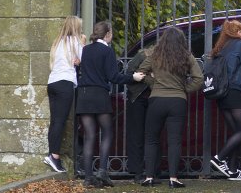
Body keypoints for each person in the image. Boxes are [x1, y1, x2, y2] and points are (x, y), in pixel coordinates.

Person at [135, 26, 203, 188]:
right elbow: (198, 79)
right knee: (174, 141)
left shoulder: (155, 55)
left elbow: (140, 73)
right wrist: (183, 88)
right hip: (177, 101)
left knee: (151, 139)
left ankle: (149, 177)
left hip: (156, 100)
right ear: (181, 41)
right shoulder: (186, 56)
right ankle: (173, 179)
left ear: (163, 40)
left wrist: (154, 83)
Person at [76, 20, 133, 188]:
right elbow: (113, 77)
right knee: (107, 133)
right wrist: (132, 78)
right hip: (99, 94)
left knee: (89, 136)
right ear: (107, 34)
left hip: (84, 95)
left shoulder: (84, 50)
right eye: (112, 32)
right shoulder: (107, 51)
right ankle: (102, 171)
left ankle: (87, 178)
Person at [208, 20, 241, 181]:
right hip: (235, 91)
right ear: (238, 32)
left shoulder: (222, 47)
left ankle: (233, 171)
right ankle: (219, 158)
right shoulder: (240, 45)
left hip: (222, 94)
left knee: (237, 132)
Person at [44, 16, 86, 173]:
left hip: (52, 82)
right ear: (76, 28)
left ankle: (51, 154)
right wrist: (82, 43)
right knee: (60, 121)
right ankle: (54, 156)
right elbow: (82, 60)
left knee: (55, 120)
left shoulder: (58, 42)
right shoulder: (75, 42)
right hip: (65, 83)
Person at [123, 47, 151, 183]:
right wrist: (145, 78)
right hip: (137, 97)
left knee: (152, 135)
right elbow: (129, 73)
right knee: (137, 135)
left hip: (154, 98)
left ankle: (152, 172)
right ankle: (137, 172)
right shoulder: (142, 55)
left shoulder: (164, 57)